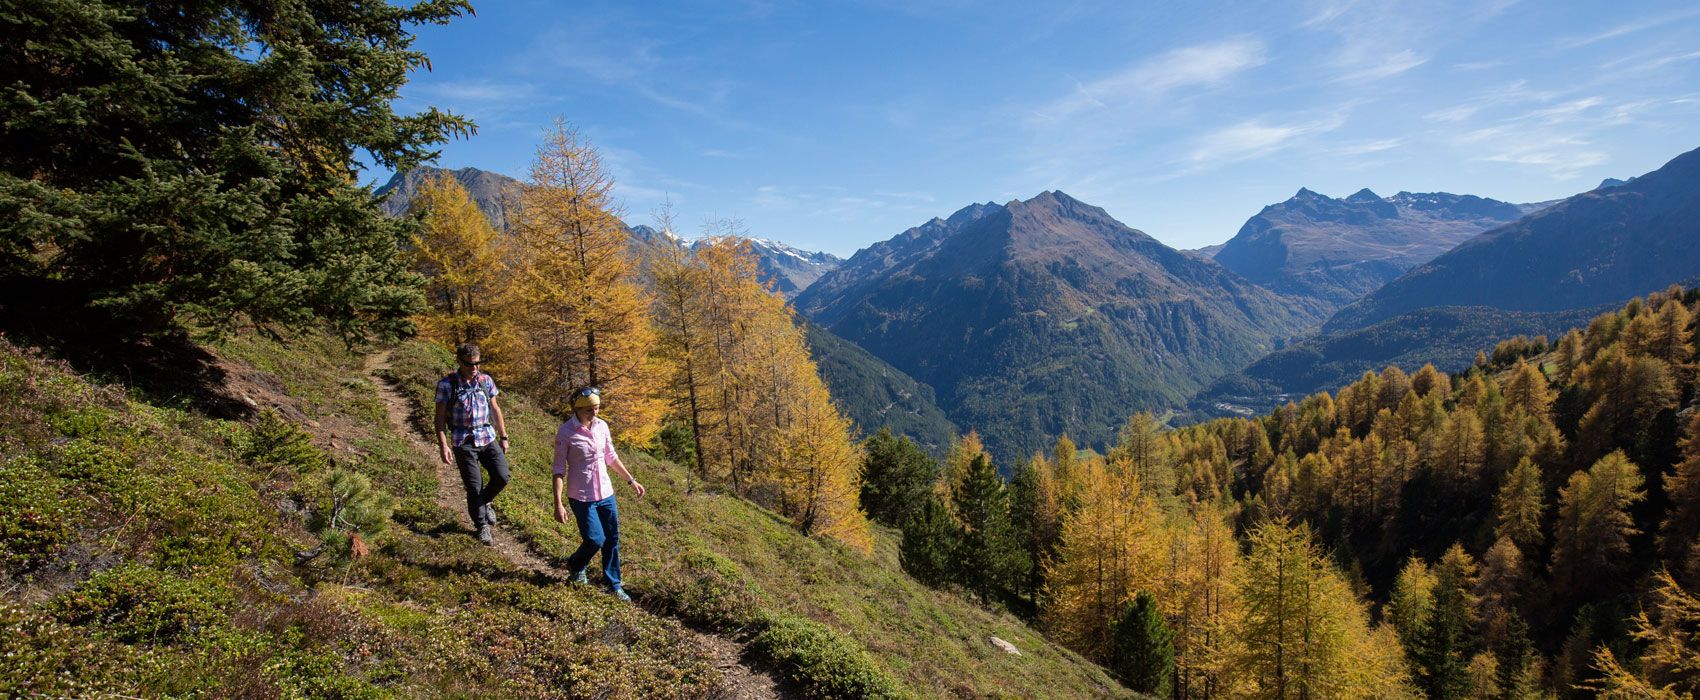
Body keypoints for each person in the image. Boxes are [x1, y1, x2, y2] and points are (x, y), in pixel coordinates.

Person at [552, 386, 645, 601]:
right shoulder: (566, 432)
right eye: (589, 410)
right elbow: (558, 469)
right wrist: (558, 503)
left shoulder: (602, 426)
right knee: (595, 539)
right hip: (581, 496)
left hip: (605, 493)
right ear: (578, 409)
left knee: (612, 539)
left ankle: (613, 584)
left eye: (597, 408)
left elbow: (610, 457)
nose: (594, 414)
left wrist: (631, 480)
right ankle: (576, 564)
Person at [434, 343, 510, 546]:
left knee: (502, 476)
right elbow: (440, 417)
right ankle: (482, 525)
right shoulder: (447, 385)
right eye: (469, 364)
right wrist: (443, 445)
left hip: (487, 436)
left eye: (477, 363)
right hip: (463, 441)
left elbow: (495, 409)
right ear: (460, 361)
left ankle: (484, 502)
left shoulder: (485, 381)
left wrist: (503, 436)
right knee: (474, 486)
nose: (474, 368)